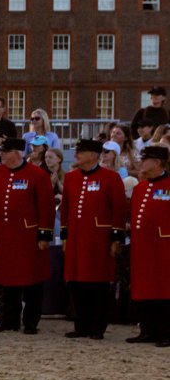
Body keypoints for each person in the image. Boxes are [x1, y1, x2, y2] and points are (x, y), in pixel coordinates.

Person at [0, 137, 55, 334]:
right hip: (6, 234)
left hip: (28, 235)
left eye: (4, 151)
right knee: (7, 279)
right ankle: (10, 320)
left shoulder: (37, 174)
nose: (0, 155)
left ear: (17, 153)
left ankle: (31, 321)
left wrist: (44, 235)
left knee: (32, 279)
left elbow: (46, 206)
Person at [62, 137, 129, 340]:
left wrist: (116, 238)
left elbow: (118, 208)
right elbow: (66, 208)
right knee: (76, 282)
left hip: (98, 238)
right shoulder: (71, 177)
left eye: (81, 152)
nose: (76, 155)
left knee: (98, 283)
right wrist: (65, 234)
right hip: (76, 237)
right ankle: (81, 324)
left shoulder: (110, 178)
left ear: (93, 155)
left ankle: (97, 326)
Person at [126, 146, 170, 347]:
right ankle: (147, 330)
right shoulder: (140, 188)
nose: (141, 163)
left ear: (157, 163)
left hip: (164, 245)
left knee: (164, 288)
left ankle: (165, 332)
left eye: (145, 160)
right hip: (143, 246)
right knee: (144, 287)